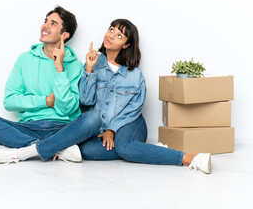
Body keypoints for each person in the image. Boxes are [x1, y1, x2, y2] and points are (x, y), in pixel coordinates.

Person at [78, 19, 212, 173]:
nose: (112, 35)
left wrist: (112, 130)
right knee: (87, 151)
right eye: (112, 29)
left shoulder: (134, 74)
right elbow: (85, 101)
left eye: (120, 36)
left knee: (124, 147)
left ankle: (191, 158)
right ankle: (147, 150)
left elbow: (134, 108)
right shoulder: (93, 63)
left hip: (131, 123)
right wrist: (89, 68)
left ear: (126, 45)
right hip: (102, 127)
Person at [0, 6, 102, 165]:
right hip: (27, 127)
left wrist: (60, 69)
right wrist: (46, 101)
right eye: (45, 21)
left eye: (53, 23)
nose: (45, 26)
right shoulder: (25, 59)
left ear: (65, 35)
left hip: (62, 129)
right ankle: (57, 149)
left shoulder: (75, 66)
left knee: (93, 119)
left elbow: (66, 110)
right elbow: (10, 101)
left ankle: (22, 153)